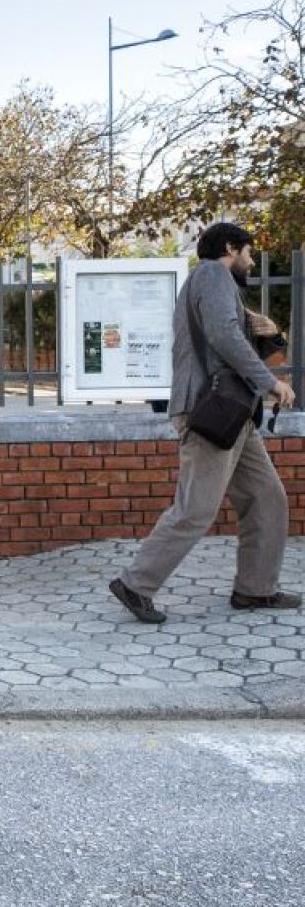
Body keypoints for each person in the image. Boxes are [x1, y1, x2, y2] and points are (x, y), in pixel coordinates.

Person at [110, 221, 298, 625]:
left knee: (267, 498)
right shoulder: (213, 273)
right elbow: (225, 338)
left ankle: (255, 589)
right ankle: (135, 584)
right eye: (247, 252)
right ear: (230, 247)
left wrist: (271, 332)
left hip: (235, 414)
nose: (250, 261)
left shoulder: (218, 286)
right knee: (196, 508)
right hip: (210, 413)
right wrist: (270, 383)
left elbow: (236, 342)